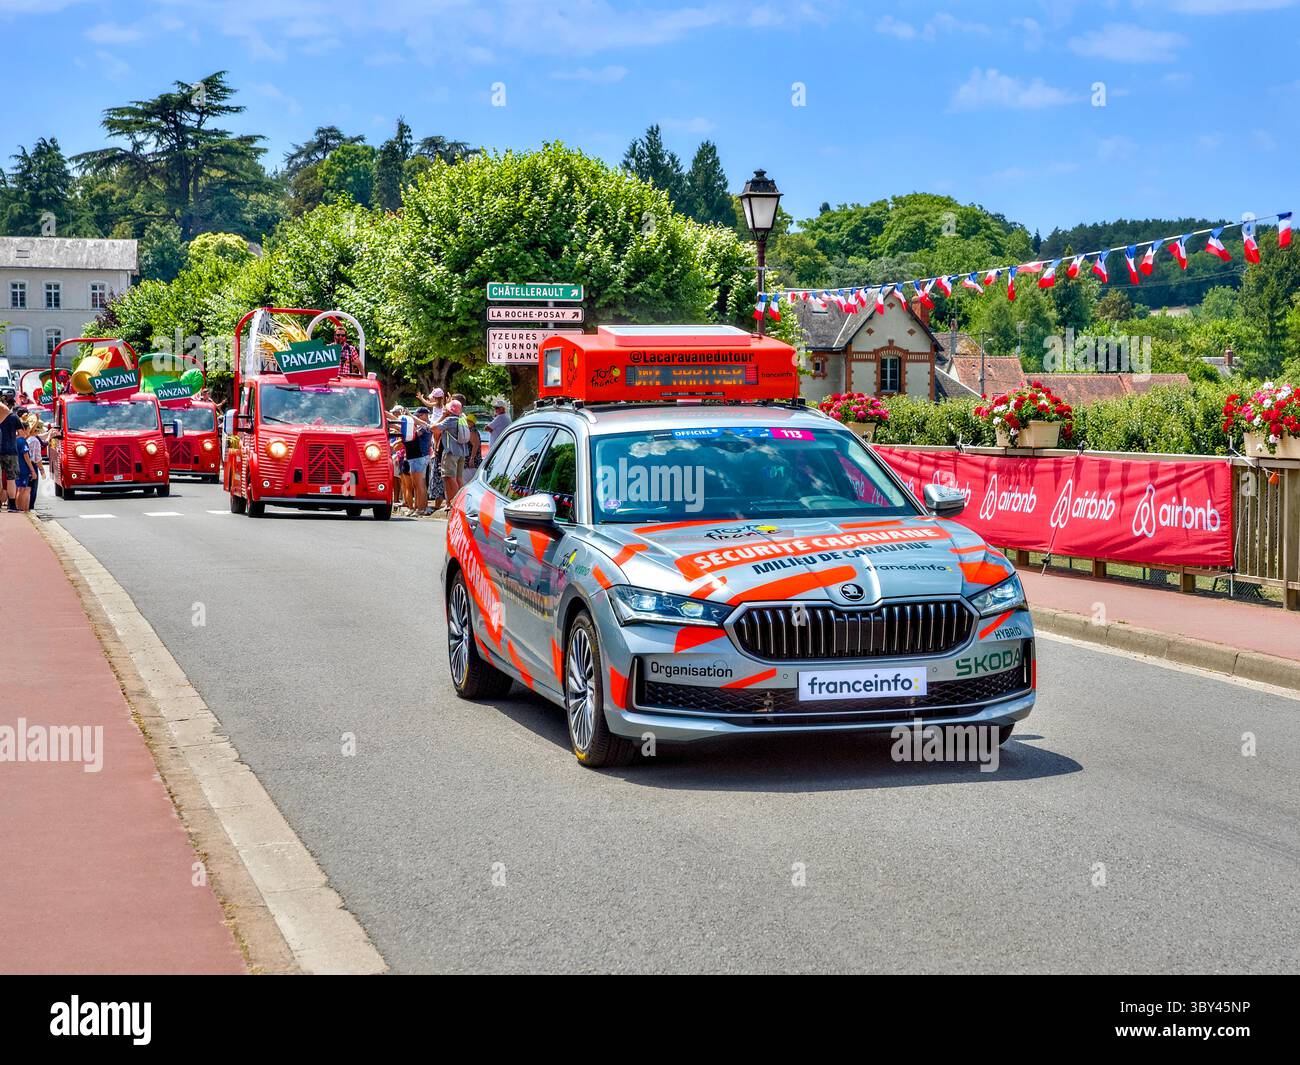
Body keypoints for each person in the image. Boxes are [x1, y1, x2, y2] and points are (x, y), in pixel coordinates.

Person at [437, 399, 473, 504]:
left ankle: (457, 501)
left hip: (451, 452)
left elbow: (434, 427)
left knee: (450, 478)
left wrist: (443, 416)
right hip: (462, 452)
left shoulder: (450, 420)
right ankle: (462, 501)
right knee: (459, 478)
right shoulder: (462, 418)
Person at [0, 397, 21, 512]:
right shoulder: (13, 417)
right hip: (10, 450)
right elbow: (22, 434)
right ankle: (12, 505)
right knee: (11, 478)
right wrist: (13, 437)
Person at [23, 415, 43, 506]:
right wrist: (42, 470)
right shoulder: (35, 441)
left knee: (23, 487)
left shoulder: (25, 438)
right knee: (32, 488)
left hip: (23, 464)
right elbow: (37, 458)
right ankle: (29, 507)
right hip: (31, 465)